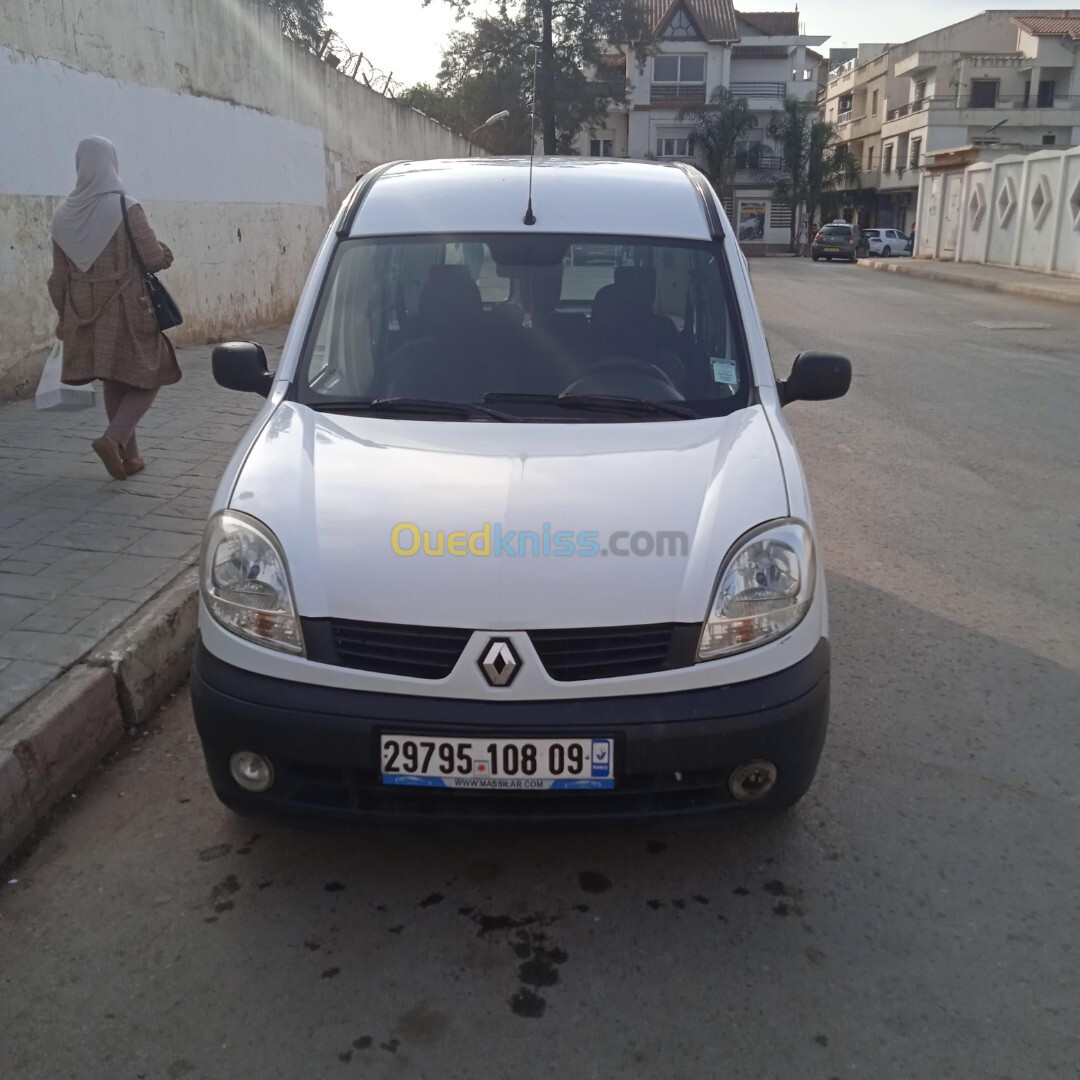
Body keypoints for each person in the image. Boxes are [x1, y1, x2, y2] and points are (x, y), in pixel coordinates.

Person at [48, 136, 180, 480]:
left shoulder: (63, 216)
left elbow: (58, 279)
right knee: (153, 372)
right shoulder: (126, 207)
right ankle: (113, 440)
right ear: (111, 162)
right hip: (127, 307)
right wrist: (166, 252)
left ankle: (129, 457)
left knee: (114, 377)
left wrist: (63, 315)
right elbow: (152, 258)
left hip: (83, 312)